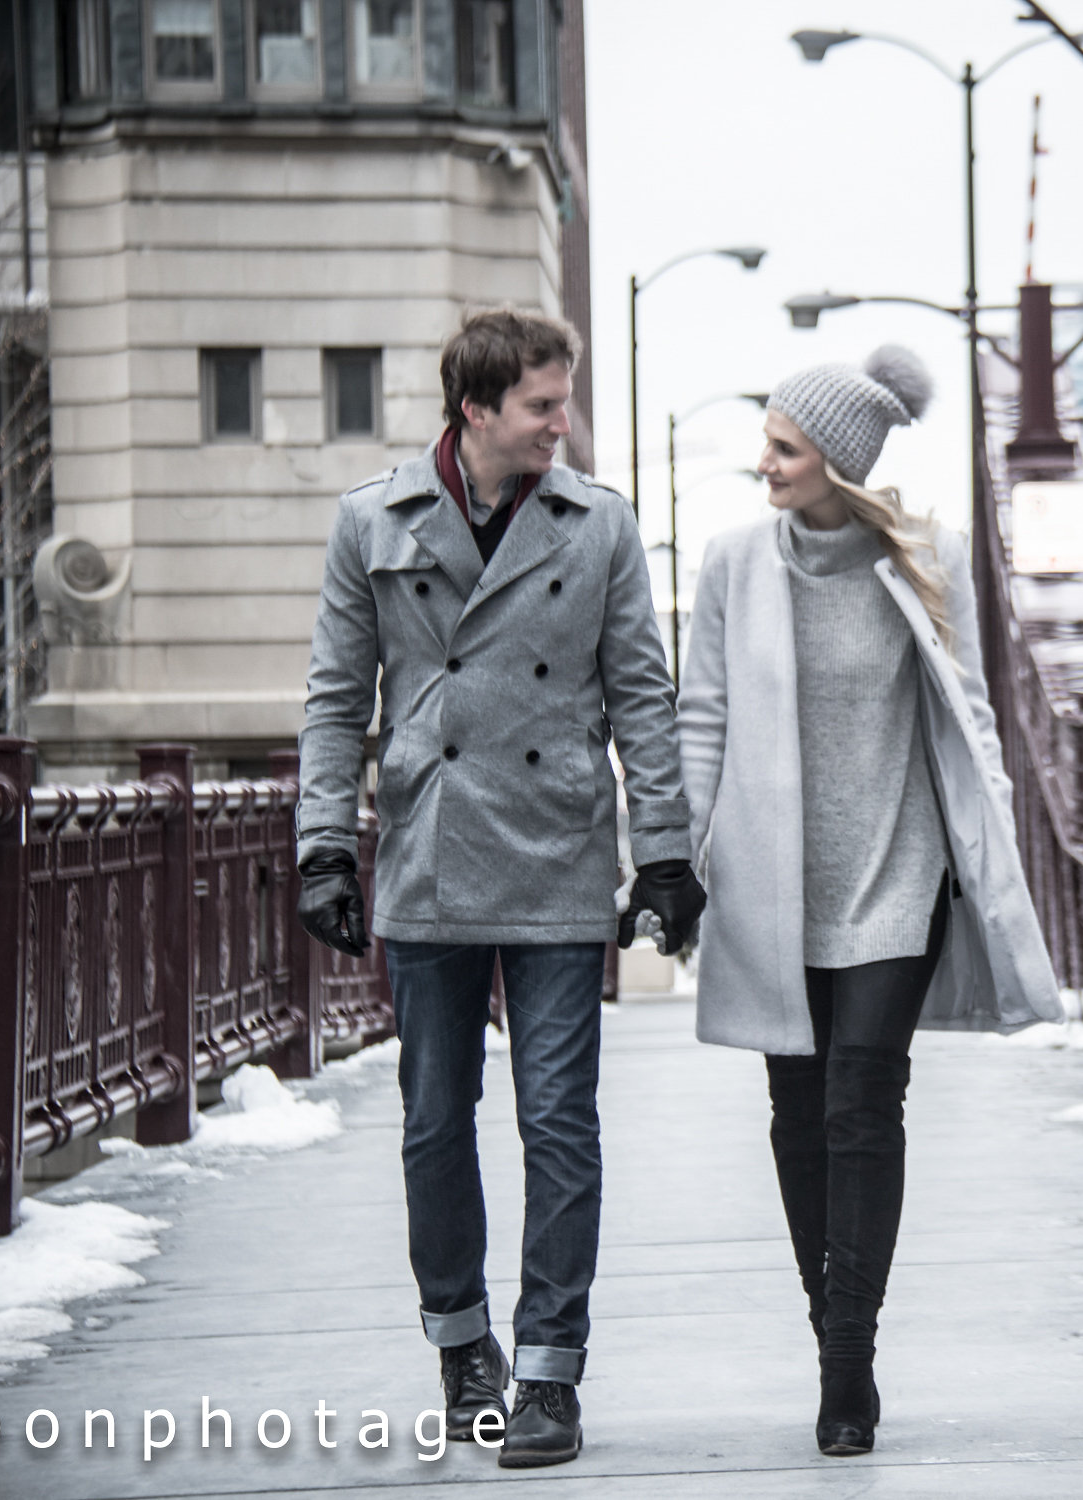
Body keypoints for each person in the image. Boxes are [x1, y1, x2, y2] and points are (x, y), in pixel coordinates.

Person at [295, 308, 706, 1470]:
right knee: (435, 1123)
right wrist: (325, 845)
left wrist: (664, 854)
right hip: (428, 849)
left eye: (563, 401)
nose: (559, 423)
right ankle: (461, 1346)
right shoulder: (370, 524)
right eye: (540, 406)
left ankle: (549, 1372)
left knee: (558, 1122)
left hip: (560, 852)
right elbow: (335, 701)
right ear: (474, 410)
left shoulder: (600, 526)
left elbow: (643, 699)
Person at [677, 345, 1061, 1457]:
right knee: (798, 1119)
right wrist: (669, 856)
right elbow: (701, 716)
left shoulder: (925, 557)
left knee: (860, 1105)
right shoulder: (735, 564)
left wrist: (990, 861)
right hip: (773, 885)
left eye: (785, 449)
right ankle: (828, 1331)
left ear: (839, 464)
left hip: (898, 876)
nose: (765, 466)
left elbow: (971, 711)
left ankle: (850, 1364)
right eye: (768, 443)